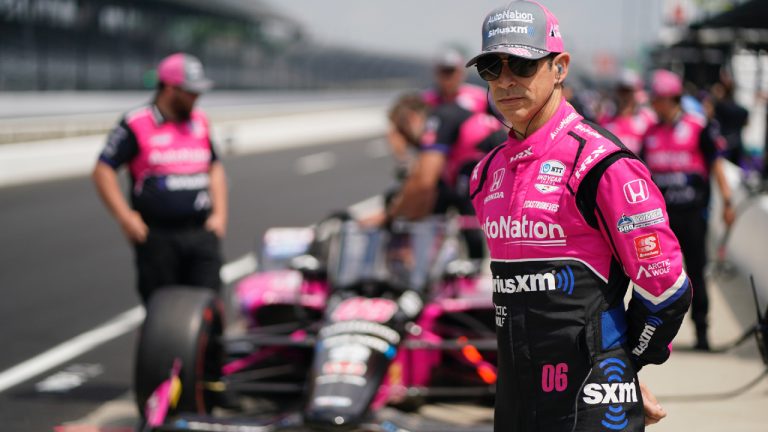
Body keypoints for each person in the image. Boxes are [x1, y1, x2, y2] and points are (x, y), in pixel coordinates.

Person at [466, 2, 688, 430]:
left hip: (590, 400)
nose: (506, 80)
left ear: (559, 67)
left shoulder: (602, 164)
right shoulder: (486, 172)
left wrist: (627, 366)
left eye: (524, 65)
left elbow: (666, 287)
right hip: (514, 396)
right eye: (492, 67)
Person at [92, 52, 228, 304]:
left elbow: (215, 166)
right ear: (168, 88)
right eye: (190, 91)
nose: (196, 97)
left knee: (208, 309)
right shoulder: (136, 123)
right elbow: (103, 169)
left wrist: (219, 215)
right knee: (162, 311)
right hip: (157, 237)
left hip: (201, 232)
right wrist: (125, 217)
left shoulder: (199, 121)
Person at [641, 69, 735, 351]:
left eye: (657, 99)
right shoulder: (651, 133)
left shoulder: (698, 126)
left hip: (693, 215)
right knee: (656, 276)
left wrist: (728, 202)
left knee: (696, 273)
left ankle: (702, 332)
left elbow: (717, 165)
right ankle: (652, 336)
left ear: (671, 99)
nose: (653, 104)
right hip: (661, 219)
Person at [383, 92, 507, 260]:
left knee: (457, 200)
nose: (406, 140)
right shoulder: (446, 117)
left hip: (497, 166)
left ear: (411, 118)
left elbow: (424, 182)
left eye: (402, 132)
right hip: (493, 163)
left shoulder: (436, 120)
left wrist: (390, 218)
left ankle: (470, 275)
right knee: (446, 196)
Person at [600, 69, 656, 155]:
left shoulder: (648, 119)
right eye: (622, 91)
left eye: (629, 91)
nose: (625, 96)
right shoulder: (606, 120)